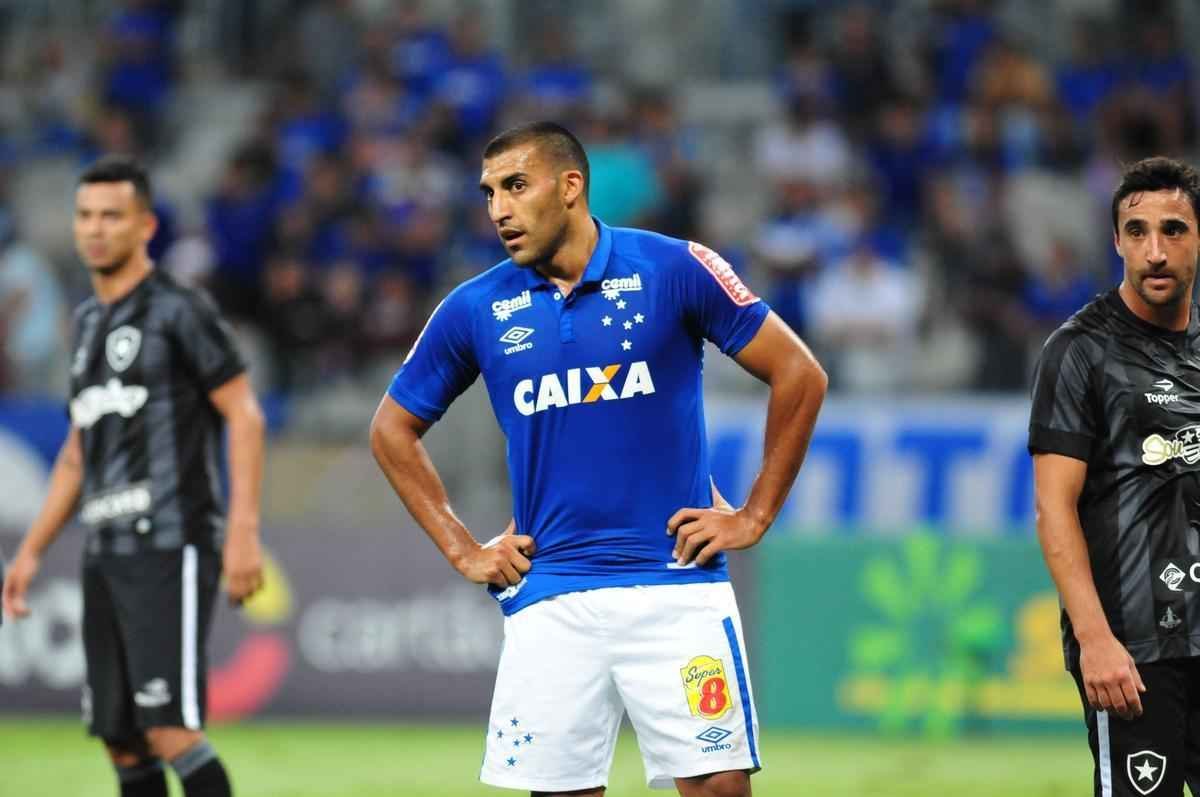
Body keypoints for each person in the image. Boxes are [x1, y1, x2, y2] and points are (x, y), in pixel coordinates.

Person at [370, 121, 827, 796]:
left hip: (675, 582)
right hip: (551, 593)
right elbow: (390, 429)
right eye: (489, 191)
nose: (498, 208)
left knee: (719, 788)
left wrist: (756, 513)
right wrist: (462, 547)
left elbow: (800, 373)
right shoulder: (475, 308)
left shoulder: (673, 268)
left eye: (517, 186)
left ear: (571, 187)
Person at [1, 156, 266, 797]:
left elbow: (244, 414)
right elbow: (75, 453)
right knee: (122, 740)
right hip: (104, 547)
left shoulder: (179, 310)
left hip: (168, 542)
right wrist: (31, 550)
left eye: (111, 216)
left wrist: (242, 530)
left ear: (145, 225)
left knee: (169, 728)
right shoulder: (88, 324)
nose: (95, 229)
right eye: (85, 216)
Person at [1029, 155, 1200, 797]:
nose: (1154, 251)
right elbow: (1054, 508)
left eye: (1174, 230)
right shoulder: (1080, 352)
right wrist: (1095, 640)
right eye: (1137, 232)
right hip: (1133, 650)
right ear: (1117, 241)